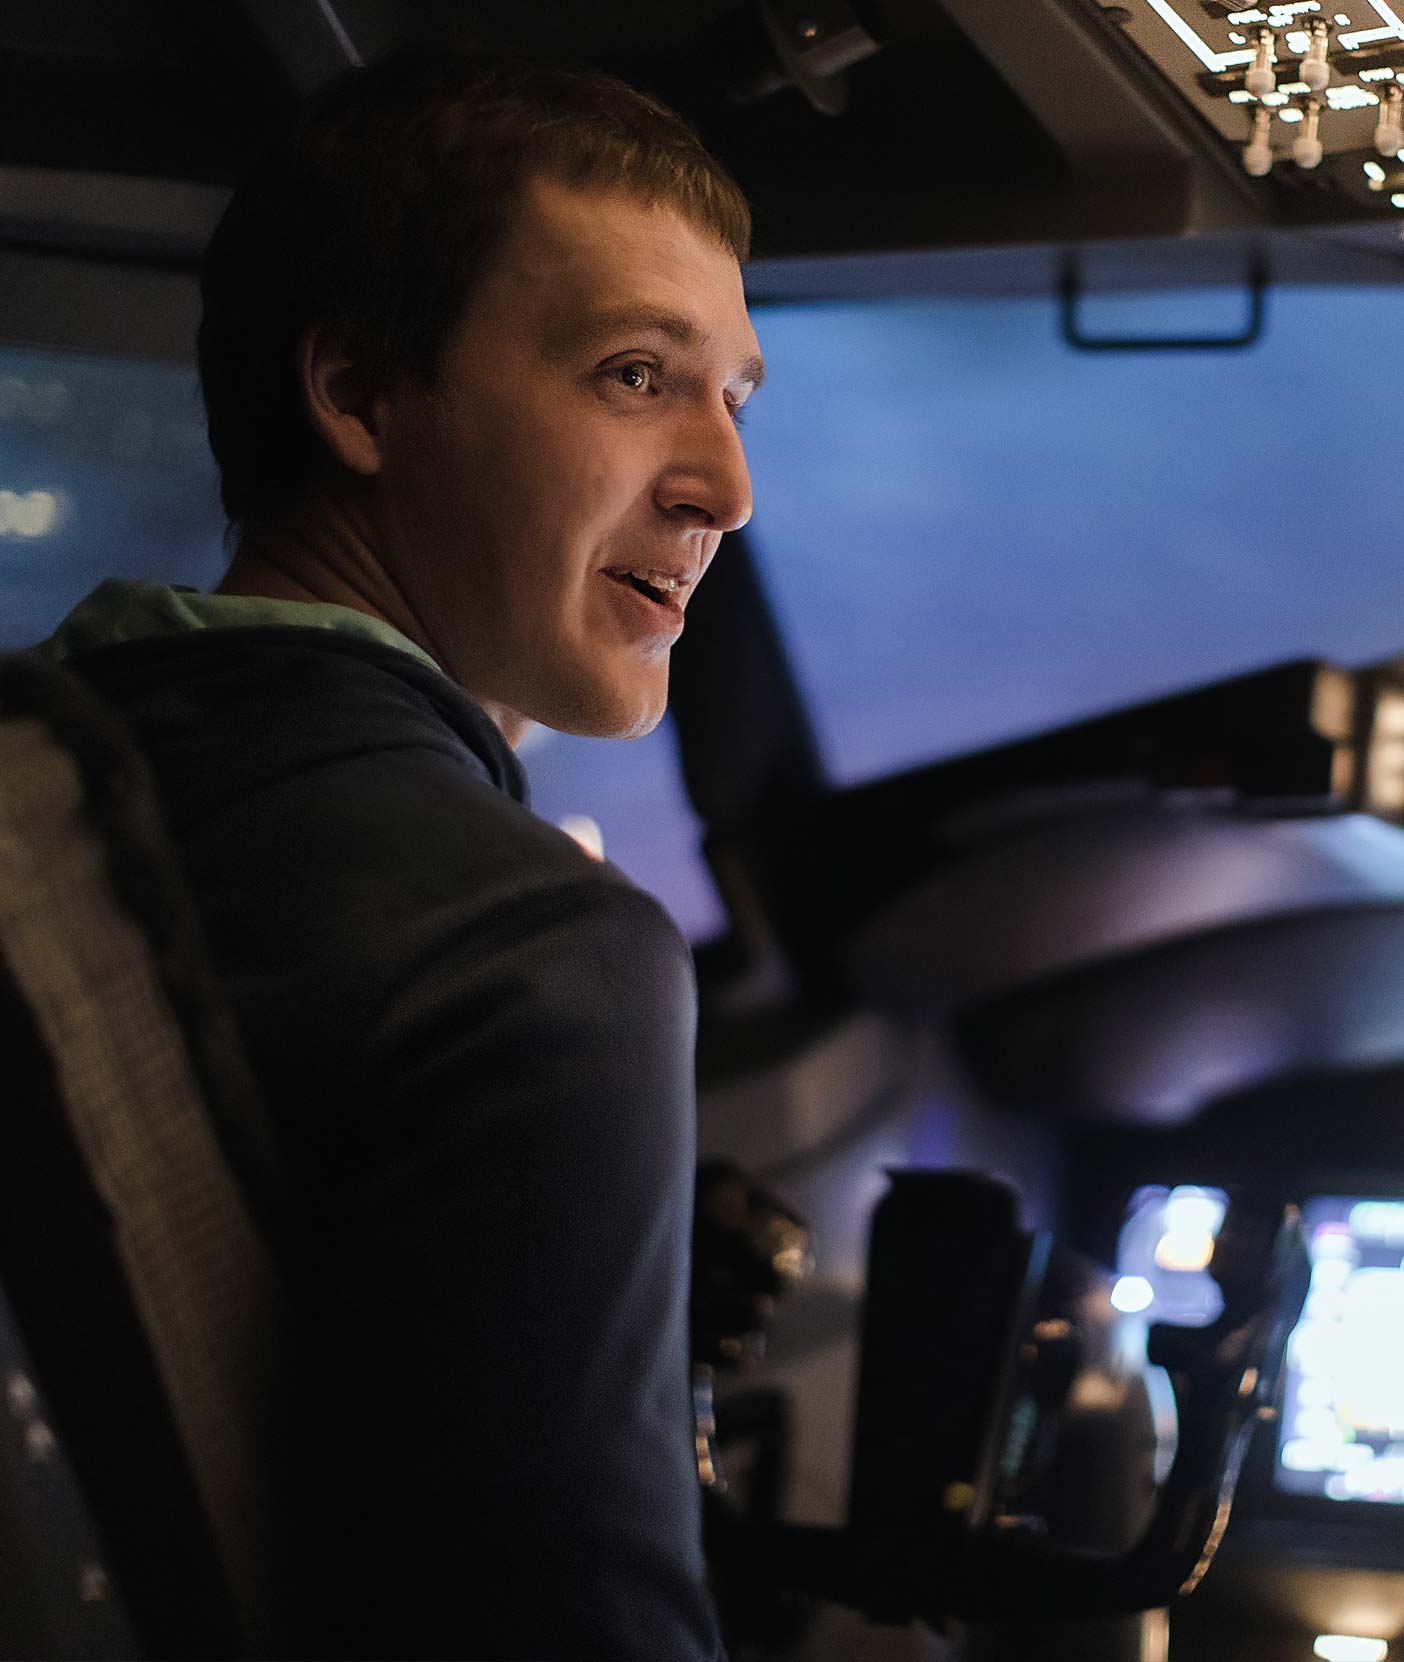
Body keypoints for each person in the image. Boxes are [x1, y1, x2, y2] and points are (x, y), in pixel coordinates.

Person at [41, 45, 763, 1661]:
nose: (727, 482)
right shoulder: (532, 955)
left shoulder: (71, 772)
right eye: (635, 375)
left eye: (733, 392)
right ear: (360, 393)